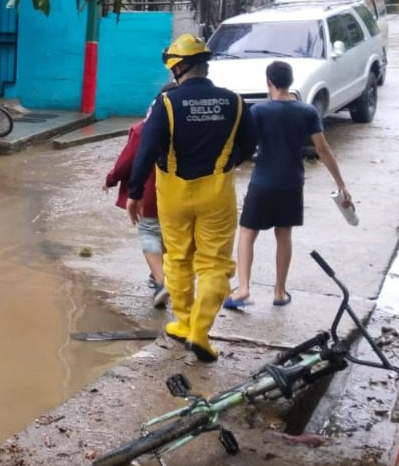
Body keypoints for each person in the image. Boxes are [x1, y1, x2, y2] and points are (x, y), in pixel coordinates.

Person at [127, 33, 257, 363]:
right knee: (215, 263)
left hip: (173, 193)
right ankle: (200, 331)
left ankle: (184, 323)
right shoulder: (234, 102)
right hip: (217, 192)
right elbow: (249, 144)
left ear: (178, 68)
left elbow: (146, 149)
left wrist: (134, 192)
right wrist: (228, 162)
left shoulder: (166, 103)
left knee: (178, 258)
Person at [224, 61, 353, 309]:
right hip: (292, 183)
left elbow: (245, 144)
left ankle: (243, 290)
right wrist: (341, 184)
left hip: (263, 182)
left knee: (248, 234)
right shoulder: (307, 112)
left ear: (268, 81)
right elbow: (323, 149)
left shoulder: (259, 111)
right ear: (290, 81)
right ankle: (280, 292)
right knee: (284, 235)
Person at [104, 83, 176, 308]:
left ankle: (162, 281)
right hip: (181, 195)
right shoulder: (188, 130)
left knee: (149, 233)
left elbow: (127, 160)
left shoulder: (144, 129)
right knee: (167, 235)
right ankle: (160, 278)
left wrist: (111, 178)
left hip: (149, 194)